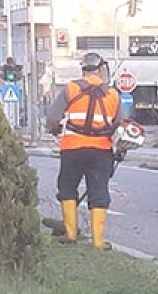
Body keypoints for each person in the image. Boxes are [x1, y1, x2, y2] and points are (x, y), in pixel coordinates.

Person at [44, 52, 122, 250]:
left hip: (73, 147)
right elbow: (119, 124)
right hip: (102, 149)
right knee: (99, 192)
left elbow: (53, 117)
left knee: (67, 187)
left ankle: (70, 234)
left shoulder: (71, 88)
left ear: (83, 70)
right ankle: (98, 241)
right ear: (101, 70)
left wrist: (54, 130)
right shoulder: (112, 94)